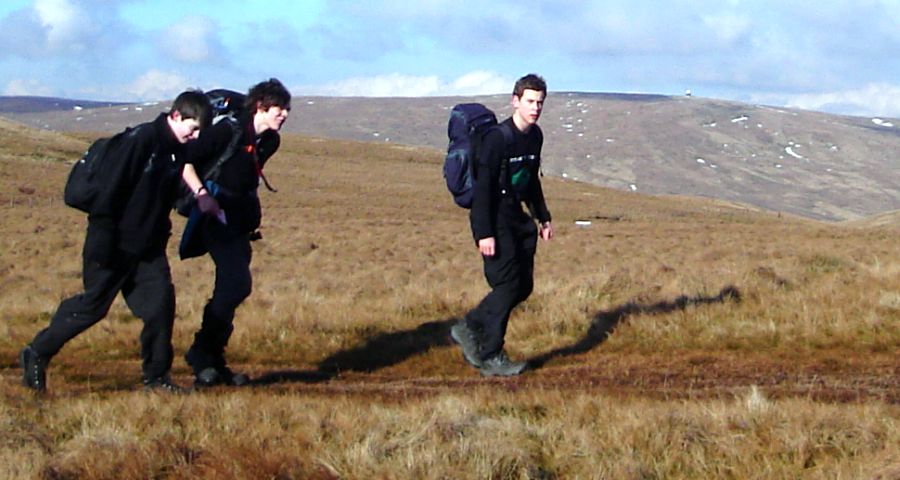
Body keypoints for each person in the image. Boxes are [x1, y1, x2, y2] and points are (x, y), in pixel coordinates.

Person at [20, 91, 212, 393]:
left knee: (160, 307)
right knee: (91, 308)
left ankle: (157, 378)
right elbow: (109, 193)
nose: (196, 135)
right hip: (111, 244)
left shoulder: (176, 150)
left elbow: (165, 195)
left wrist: (199, 201)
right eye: (194, 127)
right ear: (176, 115)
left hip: (147, 249)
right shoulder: (141, 141)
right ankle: (37, 351)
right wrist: (105, 243)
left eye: (201, 130)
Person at [179, 78, 291, 387]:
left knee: (234, 288)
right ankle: (202, 354)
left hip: (238, 222)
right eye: (279, 109)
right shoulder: (228, 130)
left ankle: (211, 360)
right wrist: (204, 197)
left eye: (286, 110)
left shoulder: (269, 141)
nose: (284, 115)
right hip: (214, 217)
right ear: (260, 106)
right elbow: (185, 161)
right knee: (236, 283)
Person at [451, 74, 554, 376]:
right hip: (493, 219)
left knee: (523, 286)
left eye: (540, 102)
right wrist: (484, 233)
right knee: (507, 284)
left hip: (517, 217)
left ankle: (470, 326)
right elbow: (483, 190)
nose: (535, 108)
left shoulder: (535, 136)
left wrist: (542, 216)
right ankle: (490, 353)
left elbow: (531, 179)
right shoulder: (498, 139)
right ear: (515, 101)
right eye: (530, 101)